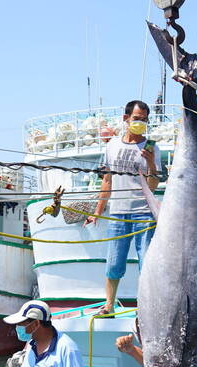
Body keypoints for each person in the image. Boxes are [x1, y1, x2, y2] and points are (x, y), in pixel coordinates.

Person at [84, 100, 161, 315]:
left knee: (147, 263)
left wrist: (152, 163)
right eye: (137, 119)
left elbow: (153, 186)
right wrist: (97, 212)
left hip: (144, 213)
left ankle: (147, 307)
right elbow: (107, 181)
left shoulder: (152, 147)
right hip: (118, 213)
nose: (140, 123)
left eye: (144, 120)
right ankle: (108, 305)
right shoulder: (112, 146)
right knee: (114, 262)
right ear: (126, 119)